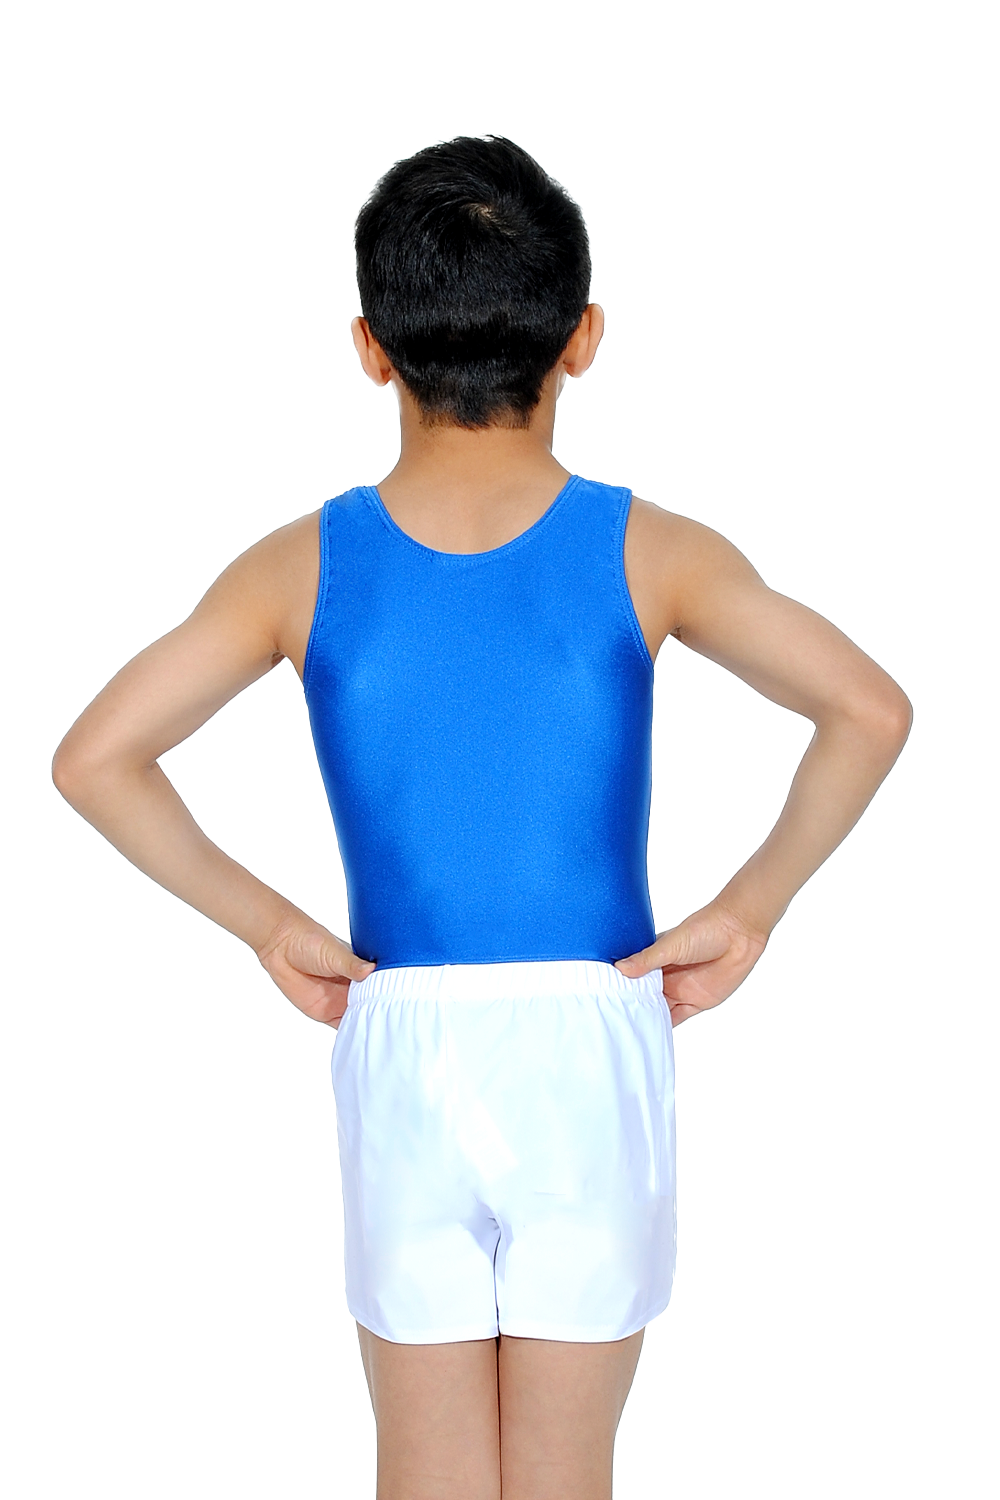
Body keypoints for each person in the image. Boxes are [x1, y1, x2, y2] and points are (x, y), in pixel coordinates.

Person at [52, 135, 912, 1500]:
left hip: (403, 1030)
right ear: (585, 338)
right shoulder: (652, 550)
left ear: (368, 348)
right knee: (566, 1469)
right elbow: (868, 708)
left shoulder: (299, 565)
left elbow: (96, 757)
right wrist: (753, 908)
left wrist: (267, 925)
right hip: (593, 1026)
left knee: (427, 1466)